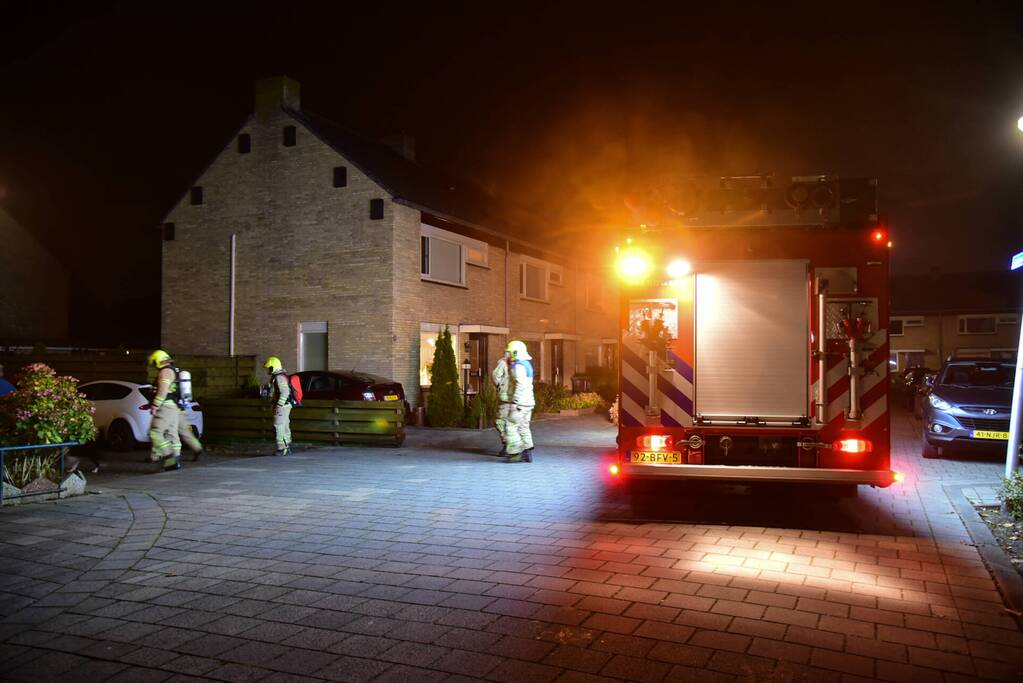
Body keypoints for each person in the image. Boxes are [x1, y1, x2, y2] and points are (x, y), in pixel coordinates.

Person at [147, 350, 202, 470]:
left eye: (154, 363)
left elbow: (163, 391)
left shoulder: (165, 372)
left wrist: (155, 405)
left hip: (166, 406)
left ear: (157, 361)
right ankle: (174, 458)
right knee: (173, 432)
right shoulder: (173, 370)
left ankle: (169, 458)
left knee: (156, 433)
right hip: (174, 407)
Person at [503, 340, 535, 463]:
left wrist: (515, 401)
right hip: (529, 401)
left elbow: (520, 384)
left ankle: (515, 454)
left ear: (515, 353)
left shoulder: (518, 366)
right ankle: (527, 451)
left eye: (509, 352)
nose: (507, 355)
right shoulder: (527, 364)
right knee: (523, 426)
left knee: (510, 425)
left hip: (521, 402)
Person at [264, 356, 292, 456]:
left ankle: (281, 448)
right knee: (284, 425)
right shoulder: (279, 377)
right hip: (285, 406)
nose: (268, 370)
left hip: (282, 407)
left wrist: (279, 405)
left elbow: (285, 392)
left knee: (278, 426)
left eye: (269, 368)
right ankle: (287, 446)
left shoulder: (279, 378)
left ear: (273, 367)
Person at [492, 350, 512, 455]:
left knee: (500, 421)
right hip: (517, 399)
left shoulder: (503, 363)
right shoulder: (520, 364)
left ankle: (508, 445)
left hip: (506, 399)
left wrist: (500, 386)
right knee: (513, 423)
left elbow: (495, 376)